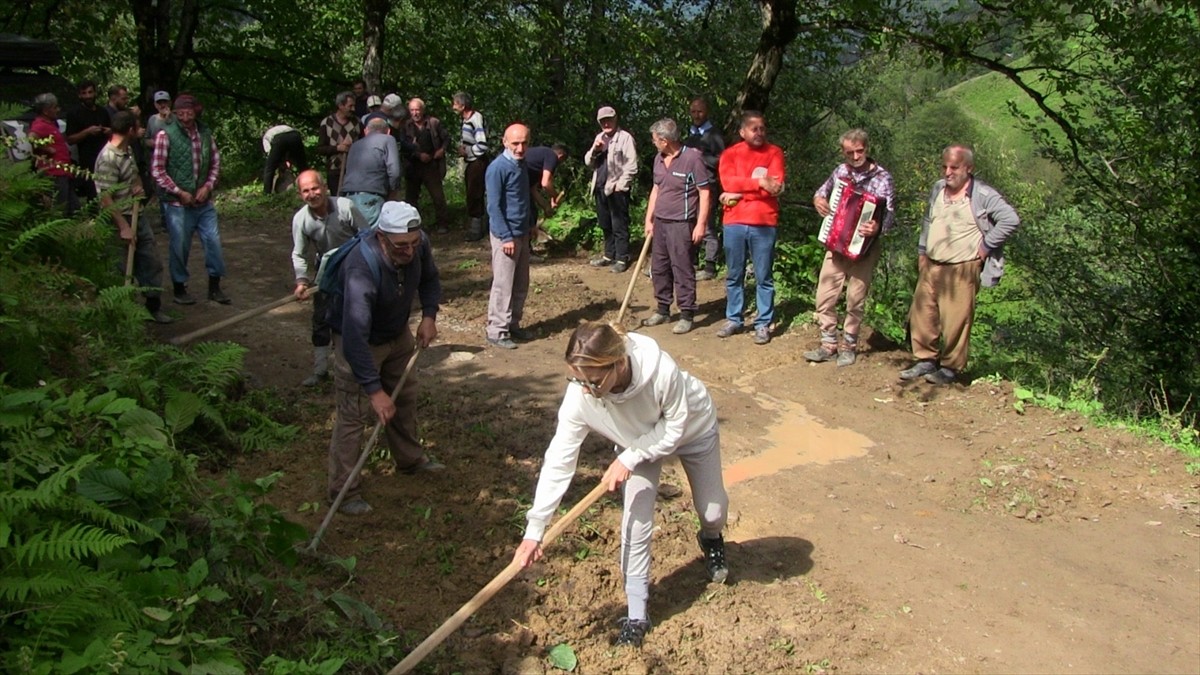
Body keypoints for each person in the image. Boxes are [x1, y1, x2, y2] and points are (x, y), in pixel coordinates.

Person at [512, 321, 730, 648]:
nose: (585, 389)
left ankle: (711, 537)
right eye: (577, 379)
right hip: (636, 445)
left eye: (593, 381)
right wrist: (535, 528)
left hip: (691, 429)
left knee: (712, 511)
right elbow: (559, 459)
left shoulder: (662, 372)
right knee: (636, 522)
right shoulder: (580, 396)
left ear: (619, 364)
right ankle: (637, 614)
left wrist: (628, 458)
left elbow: (673, 429)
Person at [325, 201, 444, 514]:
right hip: (359, 342)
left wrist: (429, 315)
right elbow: (353, 338)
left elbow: (430, 278)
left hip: (397, 333)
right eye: (401, 246)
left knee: (404, 396)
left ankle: (409, 460)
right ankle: (344, 492)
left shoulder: (418, 243)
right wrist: (375, 392)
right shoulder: (360, 269)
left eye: (414, 243)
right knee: (354, 415)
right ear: (381, 238)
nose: (409, 251)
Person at [900, 145, 1020, 385]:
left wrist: (985, 247)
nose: (948, 172)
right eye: (944, 166)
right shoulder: (938, 189)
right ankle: (925, 359)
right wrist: (922, 251)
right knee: (923, 313)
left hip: (962, 266)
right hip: (933, 262)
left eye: (954, 167)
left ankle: (950, 368)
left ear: (969, 168)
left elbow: (1011, 219)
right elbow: (928, 219)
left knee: (956, 319)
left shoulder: (983, 195)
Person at [804, 129, 896, 367]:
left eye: (860, 151)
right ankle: (828, 343)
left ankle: (849, 346)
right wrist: (819, 202)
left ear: (867, 148)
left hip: (864, 249)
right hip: (835, 244)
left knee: (856, 298)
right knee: (825, 295)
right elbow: (820, 193)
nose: (855, 156)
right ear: (843, 153)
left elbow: (890, 215)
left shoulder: (883, 178)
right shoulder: (841, 171)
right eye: (850, 152)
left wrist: (877, 228)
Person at [150, 94, 231, 305]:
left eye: (189, 113)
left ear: (196, 112)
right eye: (181, 114)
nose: (185, 118)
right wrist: (178, 191)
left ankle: (215, 286)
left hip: (204, 203)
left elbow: (215, 164)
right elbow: (157, 170)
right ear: (175, 113)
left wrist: (208, 186)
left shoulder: (205, 134)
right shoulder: (165, 135)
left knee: (213, 242)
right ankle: (179, 288)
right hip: (177, 204)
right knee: (180, 246)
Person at [93, 111, 171, 325]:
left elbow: (132, 177)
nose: (141, 131)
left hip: (137, 214)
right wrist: (123, 227)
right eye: (138, 127)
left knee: (151, 259)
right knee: (122, 268)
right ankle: (122, 314)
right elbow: (105, 198)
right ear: (130, 130)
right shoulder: (108, 158)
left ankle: (153, 308)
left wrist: (136, 187)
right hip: (119, 218)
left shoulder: (127, 150)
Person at [290, 170, 366, 386]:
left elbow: (368, 236)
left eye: (315, 188)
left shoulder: (345, 207)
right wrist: (302, 281)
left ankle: (363, 369)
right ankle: (320, 369)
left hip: (356, 267)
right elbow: (299, 253)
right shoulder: (301, 219)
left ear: (324, 188)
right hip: (327, 271)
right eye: (306, 191)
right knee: (321, 319)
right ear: (300, 194)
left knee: (358, 318)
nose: (312, 194)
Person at [715, 111, 785, 345]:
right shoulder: (730, 154)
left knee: (763, 276)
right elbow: (727, 183)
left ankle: (763, 323)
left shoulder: (774, 153)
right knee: (734, 274)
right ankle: (734, 318)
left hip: (764, 222)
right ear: (742, 132)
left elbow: (774, 187)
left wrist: (740, 192)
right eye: (754, 129)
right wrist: (758, 183)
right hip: (734, 222)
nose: (759, 132)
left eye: (762, 128)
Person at [641, 118, 711, 335]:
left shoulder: (693, 158)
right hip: (660, 222)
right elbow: (656, 189)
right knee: (659, 268)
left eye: (655, 140)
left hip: (682, 223)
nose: (653, 143)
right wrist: (648, 218)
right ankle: (663, 309)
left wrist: (700, 224)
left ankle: (687, 312)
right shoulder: (658, 159)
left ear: (664, 140)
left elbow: (705, 192)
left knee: (682, 268)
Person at [483, 123, 533, 350]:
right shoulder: (497, 168)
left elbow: (522, 199)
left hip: (522, 233)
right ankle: (497, 330)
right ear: (504, 142)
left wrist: (530, 225)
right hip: (507, 235)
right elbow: (493, 206)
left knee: (521, 283)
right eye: (515, 143)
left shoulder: (521, 165)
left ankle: (513, 324)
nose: (520, 148)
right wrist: (505, 237)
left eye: (524, 143)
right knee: (503, 284)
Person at [585, 105, 638, 273]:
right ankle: (609, 255)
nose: (606, 123)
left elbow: (632, 166)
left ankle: (622, 258)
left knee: (619, 225)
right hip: (600, 187)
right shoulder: (599, 138)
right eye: (603, 121)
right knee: (605, 223)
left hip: (616, 189)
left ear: (615, 119)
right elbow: (588, 162)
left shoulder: (625, 138)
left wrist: (621, 186)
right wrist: (595, 149)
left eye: (609, 119)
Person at [683, 96, 725, 281]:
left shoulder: (714, 135)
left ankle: (710, 266)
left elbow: (722, 160)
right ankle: (691, 262)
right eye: (693, 111)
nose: (696, 115)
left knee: (707, 224)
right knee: (691, 223)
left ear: (706, 112)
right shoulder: (691, 134)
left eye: (699, 111)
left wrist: (700, 158)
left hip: (708, 185)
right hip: (691, 186)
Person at [340, 117, 401, 227]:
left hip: (348, 198)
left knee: (354, 238)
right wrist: (393, 193)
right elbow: (395, 171)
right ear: (388, 131)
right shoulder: (388, 139)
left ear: (366, 131)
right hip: (371, 198)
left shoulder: (355, 145)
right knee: (372, 239)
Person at [403, 98, 450, 232]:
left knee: (438, 197)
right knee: (411, 199)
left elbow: (446, 138)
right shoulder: (406, 126)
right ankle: (412, 226)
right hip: (413, 167)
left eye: (417, 109)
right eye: (412, 110)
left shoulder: (434, 123)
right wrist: (418, 155)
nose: (415, 113)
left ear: (422, 110)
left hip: (431, 165)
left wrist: (442, 150)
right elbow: (403, 147)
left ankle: (443, 224)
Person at [28, 93, 78, 214]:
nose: (58, 110)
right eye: (55, 107)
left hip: (63, 172)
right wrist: (46, 149)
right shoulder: (40, 125)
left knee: (74, 207)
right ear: (46, 110)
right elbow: (31, 138)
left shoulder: (50, 124)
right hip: (54, 173)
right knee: (60, 208)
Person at [452, 91, 490, 241]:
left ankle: (477, 230)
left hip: (477, 162)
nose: (453, 107)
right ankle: (478, 227)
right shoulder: (466, 120)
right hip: (472, 161)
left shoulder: (476, 119)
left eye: (455, 104)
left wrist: (466, 151)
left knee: (475, 193)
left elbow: (482, 144)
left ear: (462, 105)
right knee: (472, 193)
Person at [64, 79, 111, 201]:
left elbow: (112, 131)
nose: (88, 96)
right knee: (93, 194)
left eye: (90, 92)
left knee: (109, 191)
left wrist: (108, 131)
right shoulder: (74, 113)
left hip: (106, 158)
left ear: (95, 93)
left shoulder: (103, 111)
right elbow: (70, 139)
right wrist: (87, 132)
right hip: (87, 160)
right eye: (84, 93)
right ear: (79, 95)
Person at [316, 91, 363, 197]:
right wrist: (338, 148)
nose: (353, 109)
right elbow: (320, 149)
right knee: (337, 200)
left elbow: (364, 146)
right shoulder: (327, 123)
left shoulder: (357, 123)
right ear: (340, 106)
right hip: (334, 171)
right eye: (350, 106)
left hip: (354, 170)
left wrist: (353, 148)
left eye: (354, 106)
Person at [262, 124, 308, 194]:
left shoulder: (265, 138)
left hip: (280, 138)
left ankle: (267, 193)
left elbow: (271, 155)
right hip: (295, 135)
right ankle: (309, 184)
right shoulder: (282, 127)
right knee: (302, 164)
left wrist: (280, 164)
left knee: (269, 168)